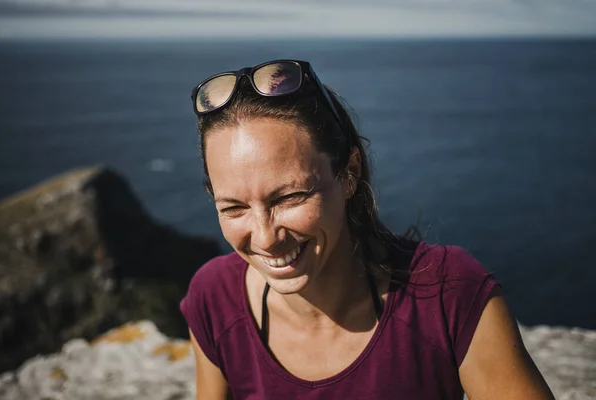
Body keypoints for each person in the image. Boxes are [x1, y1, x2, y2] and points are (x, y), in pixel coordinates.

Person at [180, 60, 555, 400]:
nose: (264, 239)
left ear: (349, 174)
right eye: (233, 208)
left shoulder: (448, 295)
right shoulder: (214, 300)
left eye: (290, 197)